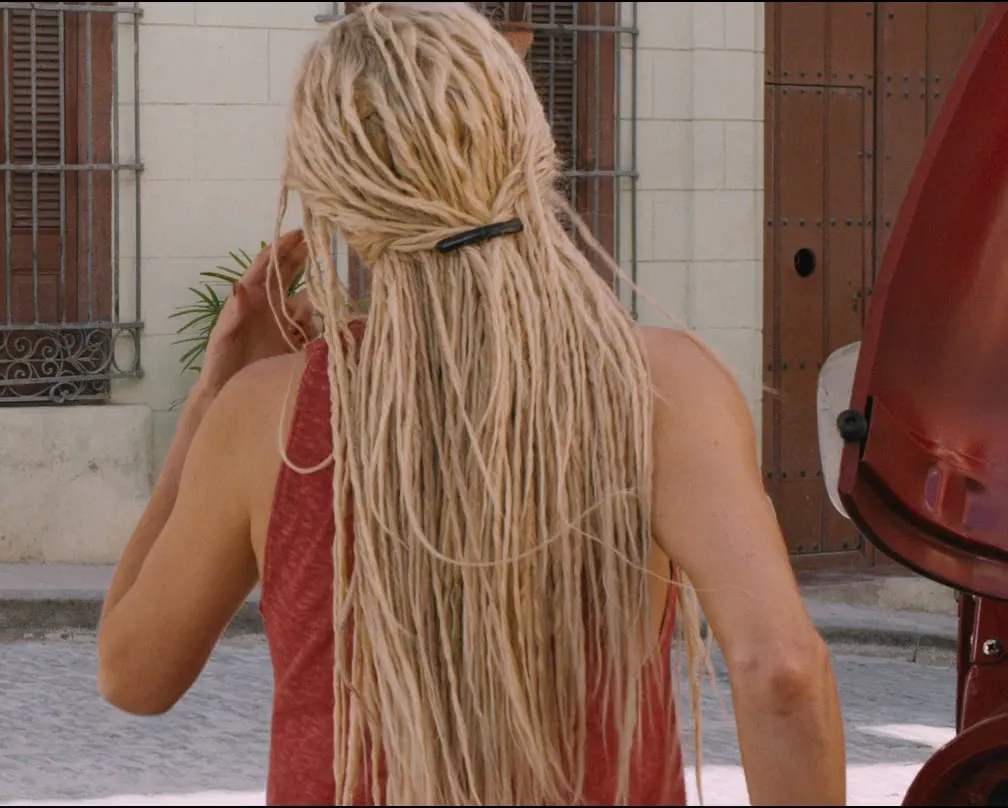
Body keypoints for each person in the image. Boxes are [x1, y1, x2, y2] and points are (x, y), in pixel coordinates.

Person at [94, 4, 847, 806]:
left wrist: (212, 399)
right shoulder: (660, 384)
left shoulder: (266, 416)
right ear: (531, 147)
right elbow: (783, 674)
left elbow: (132, 675)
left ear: (335, 198)